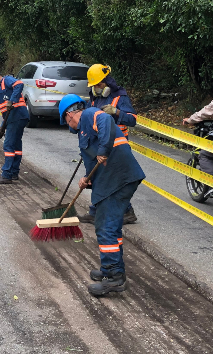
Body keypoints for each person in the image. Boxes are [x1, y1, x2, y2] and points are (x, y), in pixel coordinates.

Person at [59, 94, 145, 296]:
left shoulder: (89, 114)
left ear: (70, 114)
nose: (69, 126)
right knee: (109, 226)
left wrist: (104, 149)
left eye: (67, 121)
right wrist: (86, 180)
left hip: (119, 177)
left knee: (106, 226)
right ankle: (110, 270)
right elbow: (94, 166)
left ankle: (114, 278)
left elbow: (106, 119)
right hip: (112, 180)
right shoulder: (84, 132)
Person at [79, 64, 139, 225]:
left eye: (99, 85)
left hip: (117, 146)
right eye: (94, 86)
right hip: (98, 145)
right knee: (100, 177)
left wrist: (117, 112)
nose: (97, 88)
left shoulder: (120, 96)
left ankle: (108, 211)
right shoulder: (94, 99)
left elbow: (132, 120)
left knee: (111, 178)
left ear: (106, 82)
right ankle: (108, 211)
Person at [0, 68, 29, 184]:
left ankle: (6, 174)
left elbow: (19, 84)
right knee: (16, 145)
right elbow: (6, 112)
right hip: (16, 118)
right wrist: (2, 127)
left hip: (17, 117)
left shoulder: (6, 80)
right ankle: (14, 172)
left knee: (8, 145)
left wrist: (12, 101)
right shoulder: (1, 90)